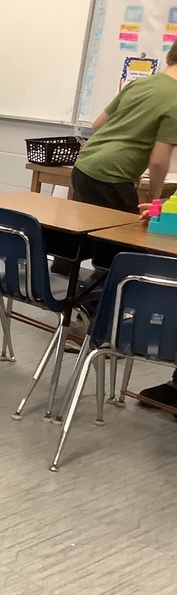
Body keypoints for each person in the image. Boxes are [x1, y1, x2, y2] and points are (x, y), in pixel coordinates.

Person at [72, 46, 177, 407]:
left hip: (86, 166)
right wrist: (157, 197)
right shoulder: (176, 99)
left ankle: (85, 313)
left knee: (102, 247)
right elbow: (160, 158)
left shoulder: (142, 84)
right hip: (115, 176)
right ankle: (99, 325)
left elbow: (99, 124)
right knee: (125, 253)